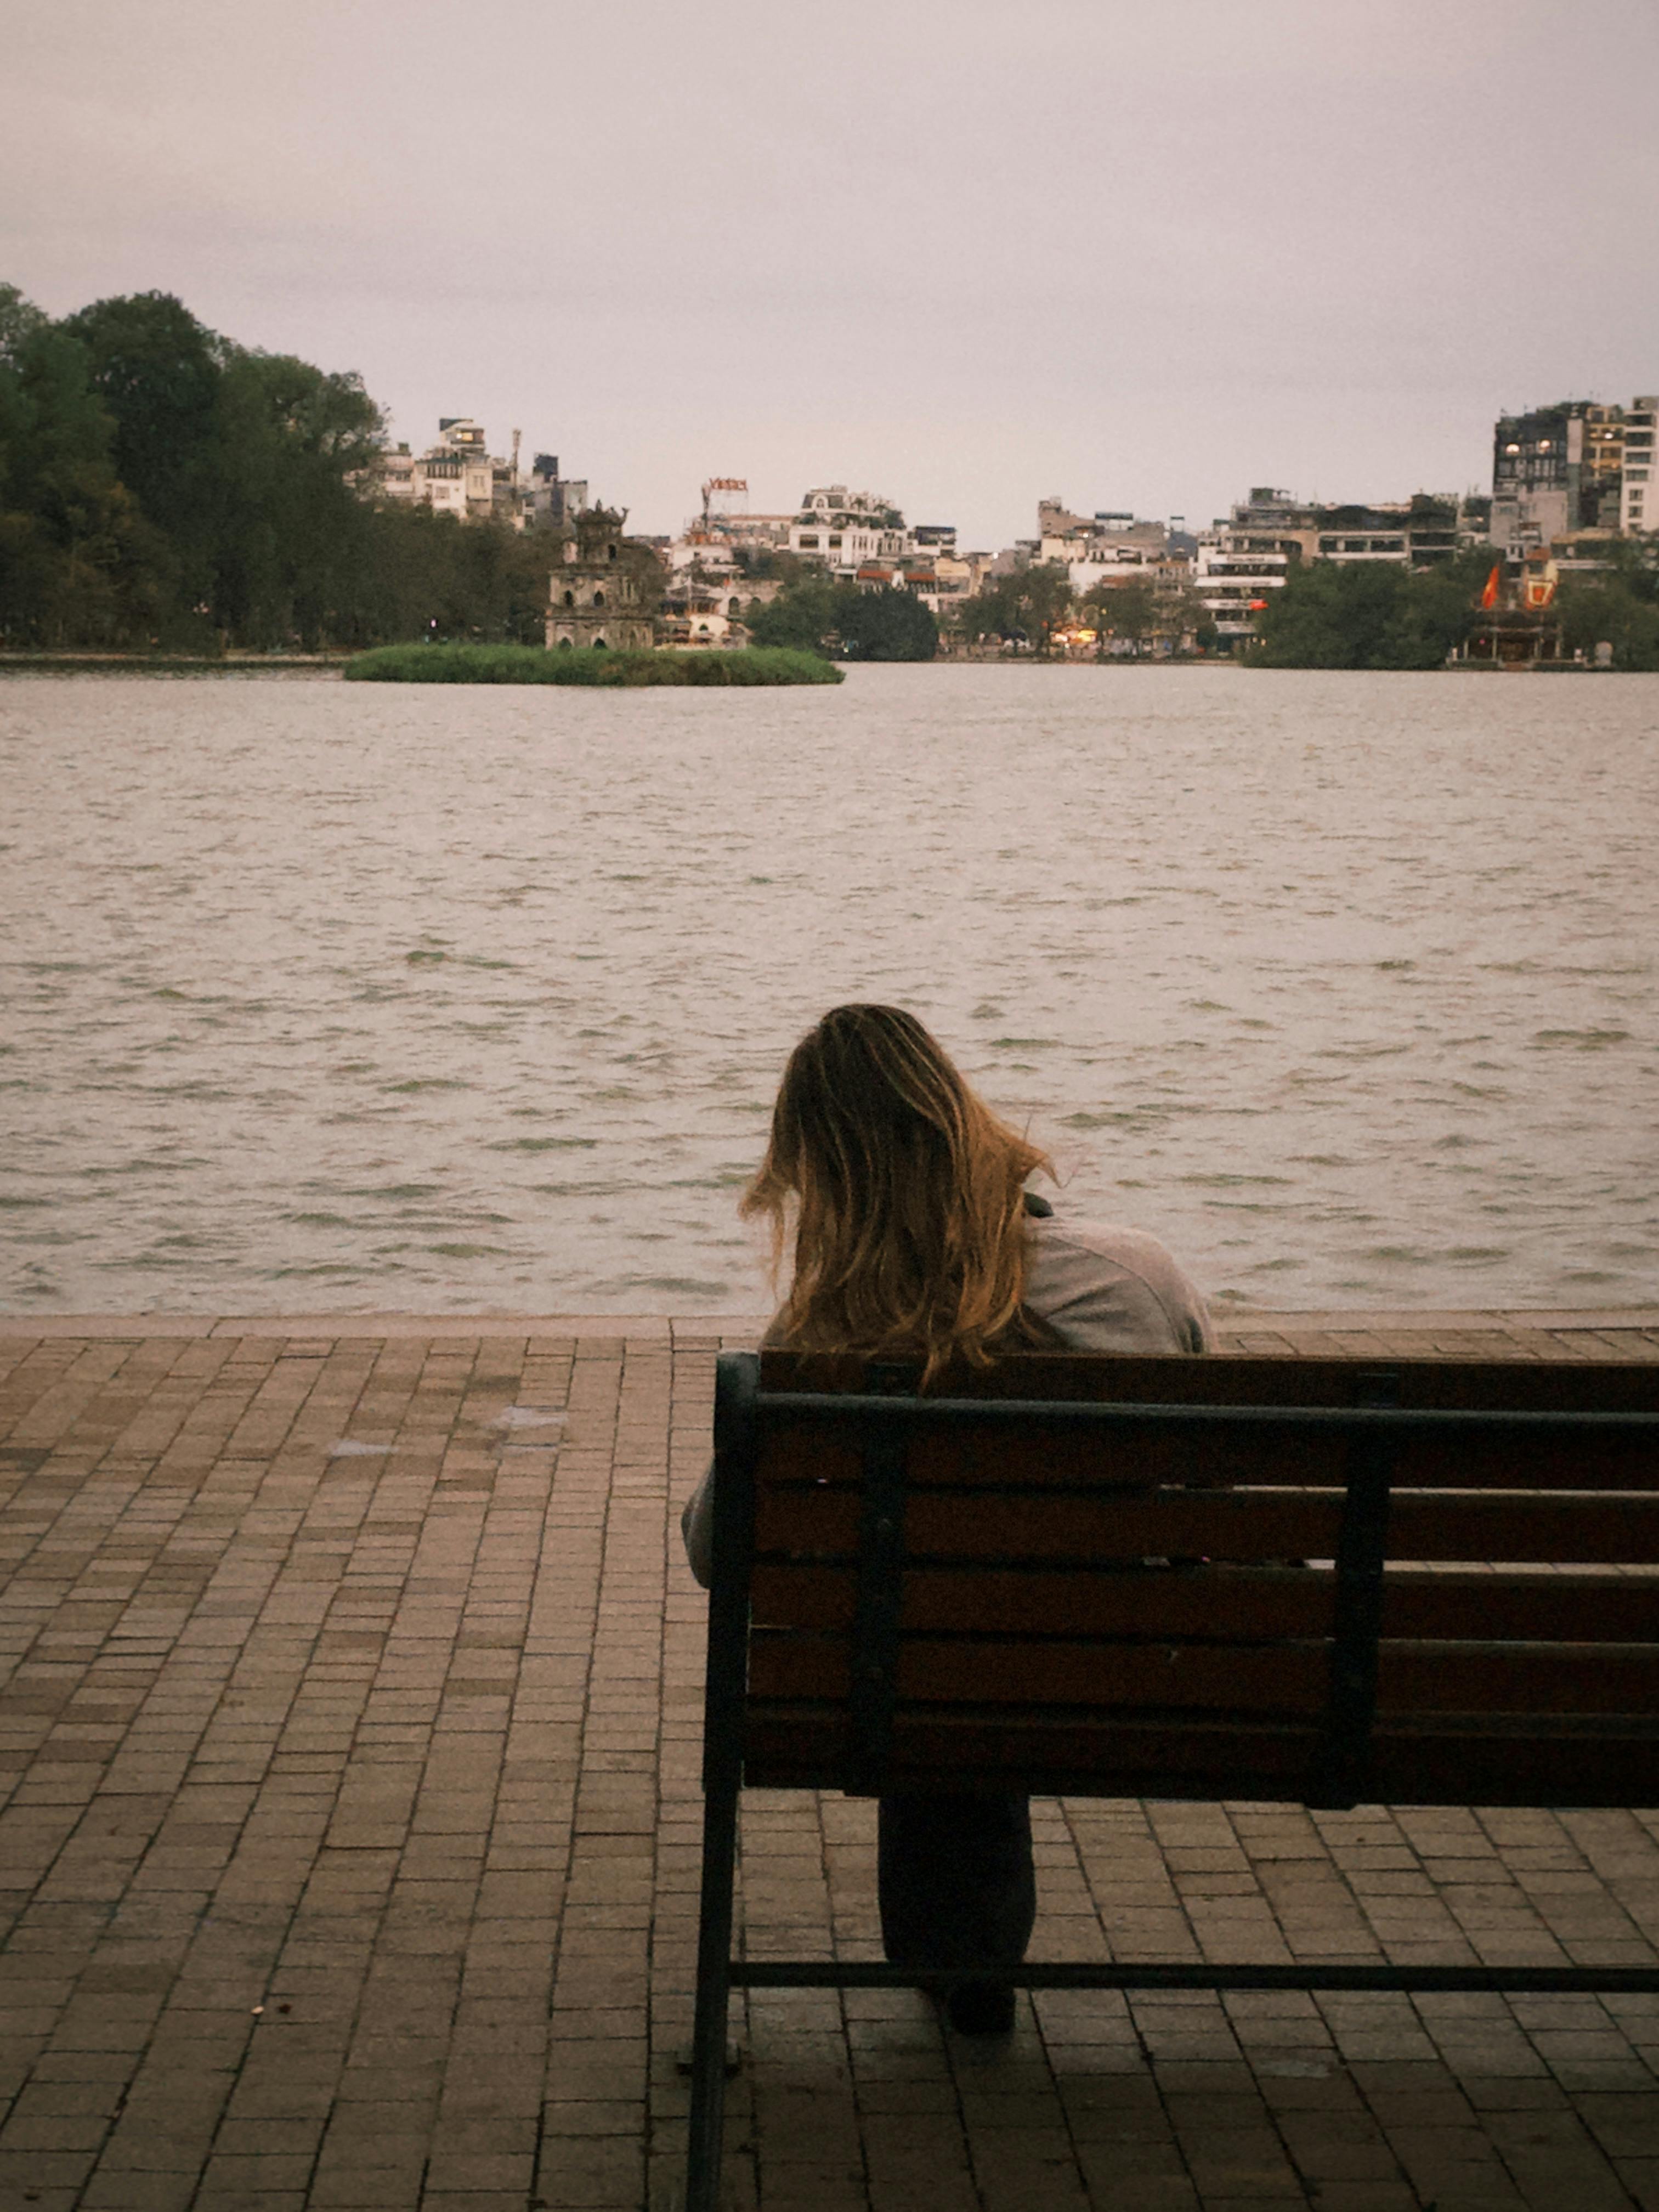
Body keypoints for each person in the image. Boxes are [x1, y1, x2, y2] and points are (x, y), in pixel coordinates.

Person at [681, 1004, 1213, 2035]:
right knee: (978, 1619)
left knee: (928, 1631)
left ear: (822, 1175)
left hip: (914, 1687)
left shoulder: (822, 1332)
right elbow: (1210, 1490)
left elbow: (715, 1553)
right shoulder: (1136, 1277)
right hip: (1164, 1677)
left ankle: (958, 1948)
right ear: (964, 1120)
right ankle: (962, 1948)